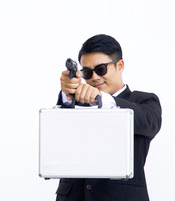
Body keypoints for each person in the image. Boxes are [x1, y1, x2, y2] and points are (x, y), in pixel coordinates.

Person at [56, 34, 162, 201]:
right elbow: (56, 130)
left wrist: (102, 98)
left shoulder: (144, 102)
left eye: (101, 69)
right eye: (87, 72)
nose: (95, 77)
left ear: (119, 66)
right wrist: (67, 94)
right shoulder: (79, 101)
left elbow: (150, 123)